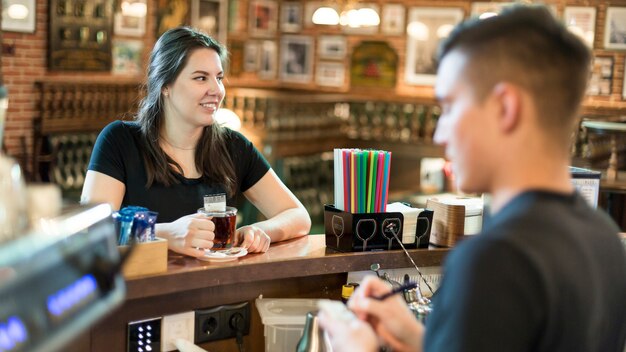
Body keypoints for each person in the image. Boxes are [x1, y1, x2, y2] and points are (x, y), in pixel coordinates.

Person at [319, 5, 626, 352]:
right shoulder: (604, 238)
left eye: (449, 107)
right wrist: (419, 338)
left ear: (505, 108)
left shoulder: (494, 260)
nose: (439, 134)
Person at [81, 27, 311, 257]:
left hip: (215, 287)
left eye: (219, 78)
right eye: (201, 78)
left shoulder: (234, 146)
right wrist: (166, 234)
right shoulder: (120, 140)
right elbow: (90, 230)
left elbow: (298, 216)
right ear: (165, 86)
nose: (217, 90)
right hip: (143, 288)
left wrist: (260, 230)